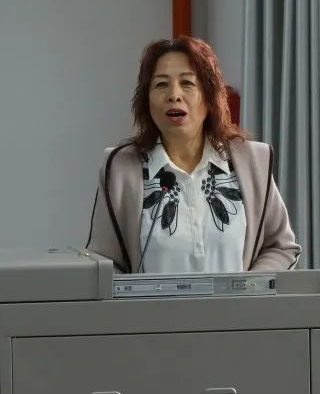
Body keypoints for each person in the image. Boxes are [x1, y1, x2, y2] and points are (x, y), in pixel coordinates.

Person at [87, 36, 301, 274]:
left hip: (241, 300)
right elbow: (105, 264)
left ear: (209, 97)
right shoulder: (120, 169)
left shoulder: (252, 162)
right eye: (161, 85)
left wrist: (249, 288)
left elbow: (280, 247)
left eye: (187, 83)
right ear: (146, 100)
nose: (174, 95)